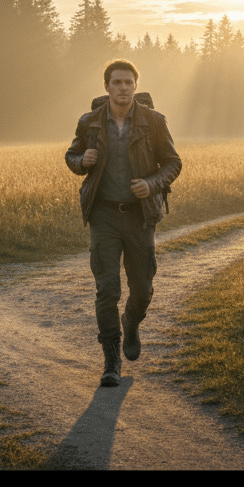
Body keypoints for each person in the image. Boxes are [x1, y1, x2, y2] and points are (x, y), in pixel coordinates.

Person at [65, 59, 182, 387]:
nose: (122, 88)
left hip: (140, 216)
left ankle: (131, 324)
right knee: (107, 290)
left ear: (135, 86)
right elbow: (71, 156)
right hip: (103, 216)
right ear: (106, 87)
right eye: (116, 82)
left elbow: (173, 162)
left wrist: (152, 184)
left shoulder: (154, 121)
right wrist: (81, 160)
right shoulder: (89, 122)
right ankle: (111, 360)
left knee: (142, 289)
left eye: (128, 82)